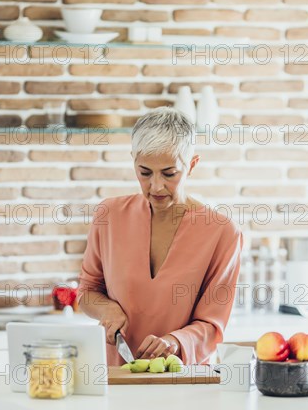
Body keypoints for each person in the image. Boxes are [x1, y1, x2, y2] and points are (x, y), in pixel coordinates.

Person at [77, 107, 243, 365]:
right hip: (116, 377)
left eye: (169, 173)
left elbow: (212, 324)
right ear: (133, 161)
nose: (156, 186)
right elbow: (87, 291)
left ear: (191, 166)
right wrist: (107, 309)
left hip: (185, 380)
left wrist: (175, 342)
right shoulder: (109, 214)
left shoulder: (221, 232)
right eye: (144, 172)